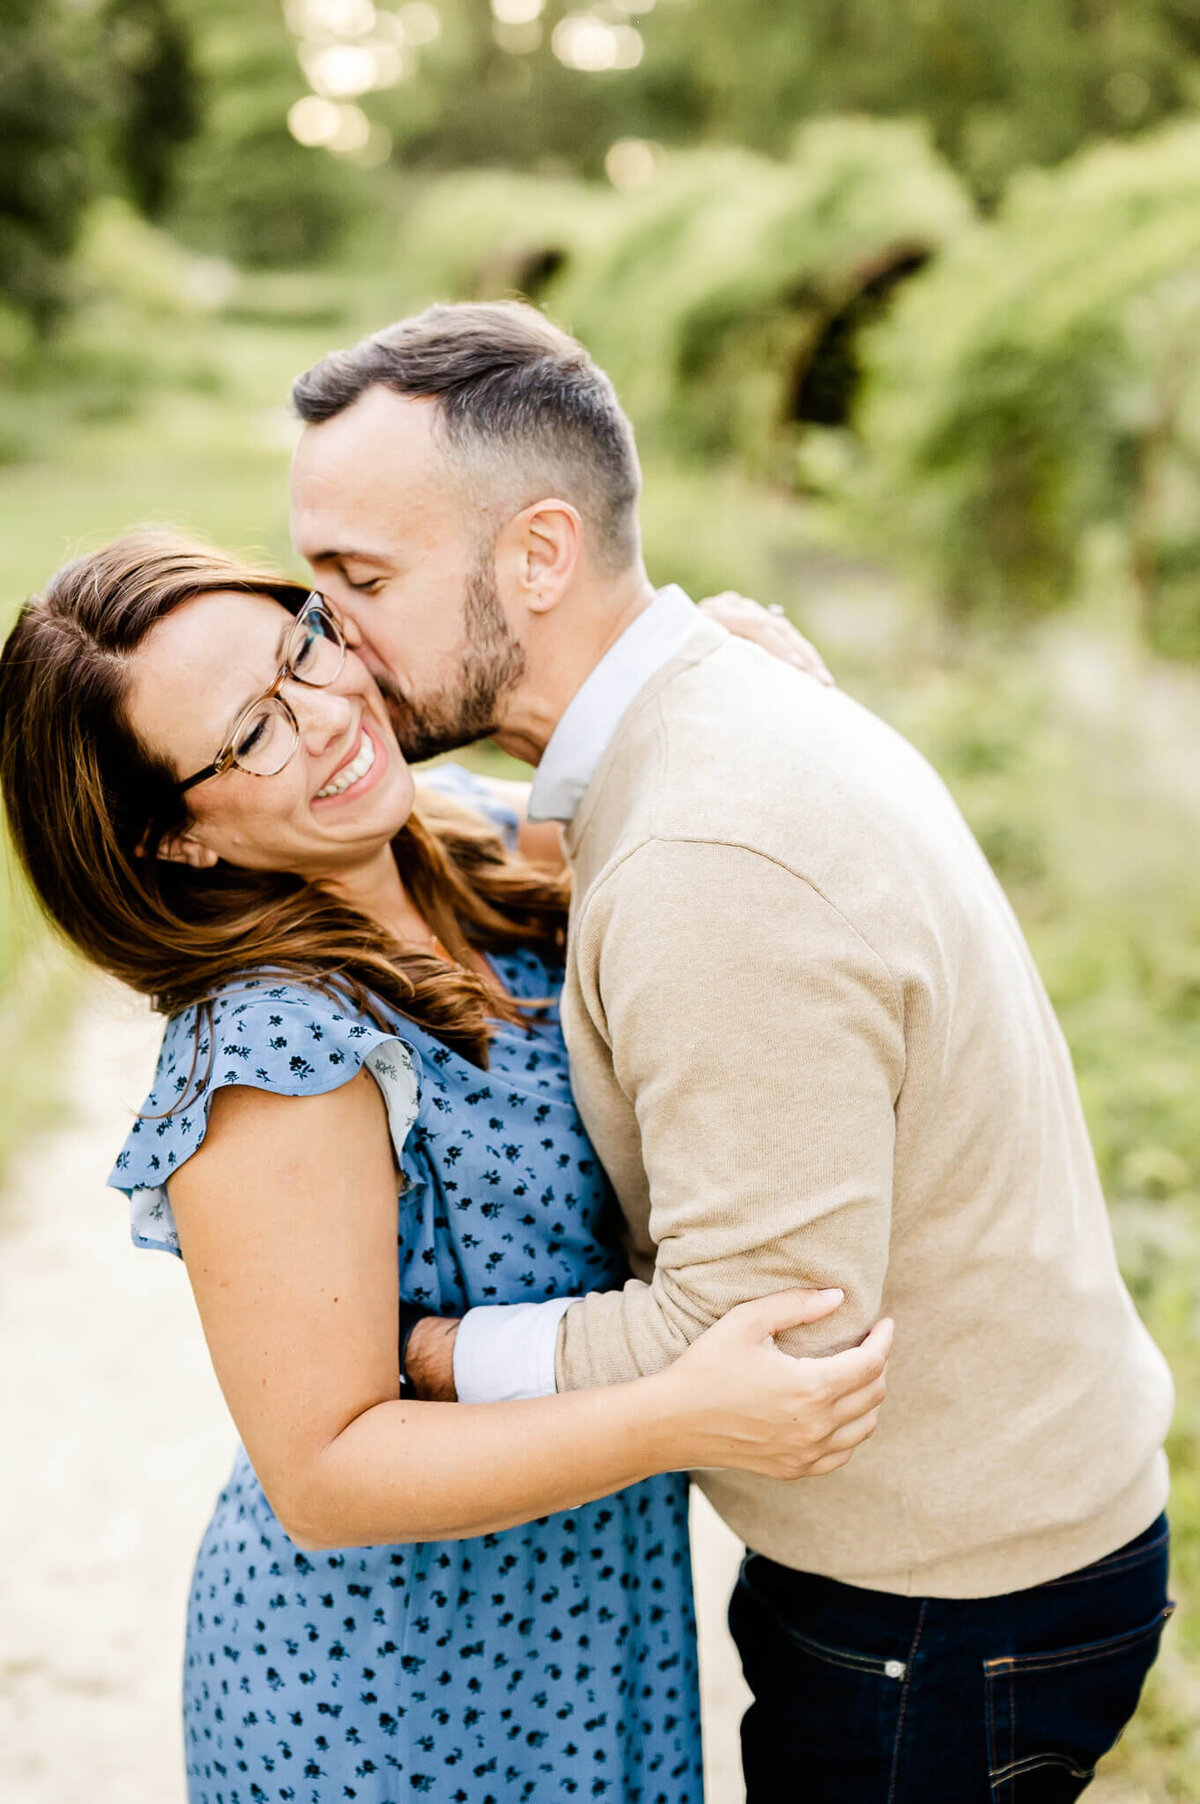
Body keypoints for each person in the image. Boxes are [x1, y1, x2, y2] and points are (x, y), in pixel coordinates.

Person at [286, 299, 1177, 1800]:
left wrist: (432, 1357)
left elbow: (774, 1333)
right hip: (973, 1559)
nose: (326, 632)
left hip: (948, 1606)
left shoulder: (712, 847)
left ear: (541, 555)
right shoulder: (702, 722)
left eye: (360, 576)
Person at [0, 536, 891, 1804]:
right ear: (174, 843)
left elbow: (699, 841)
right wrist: (685, 1413)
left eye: (301, 644)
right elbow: (325, 1472)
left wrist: (727, 683)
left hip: (582, 1617)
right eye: (250, 735)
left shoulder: (454, 839)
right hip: (394, 1694)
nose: (323, 716)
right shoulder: (276, 1049)